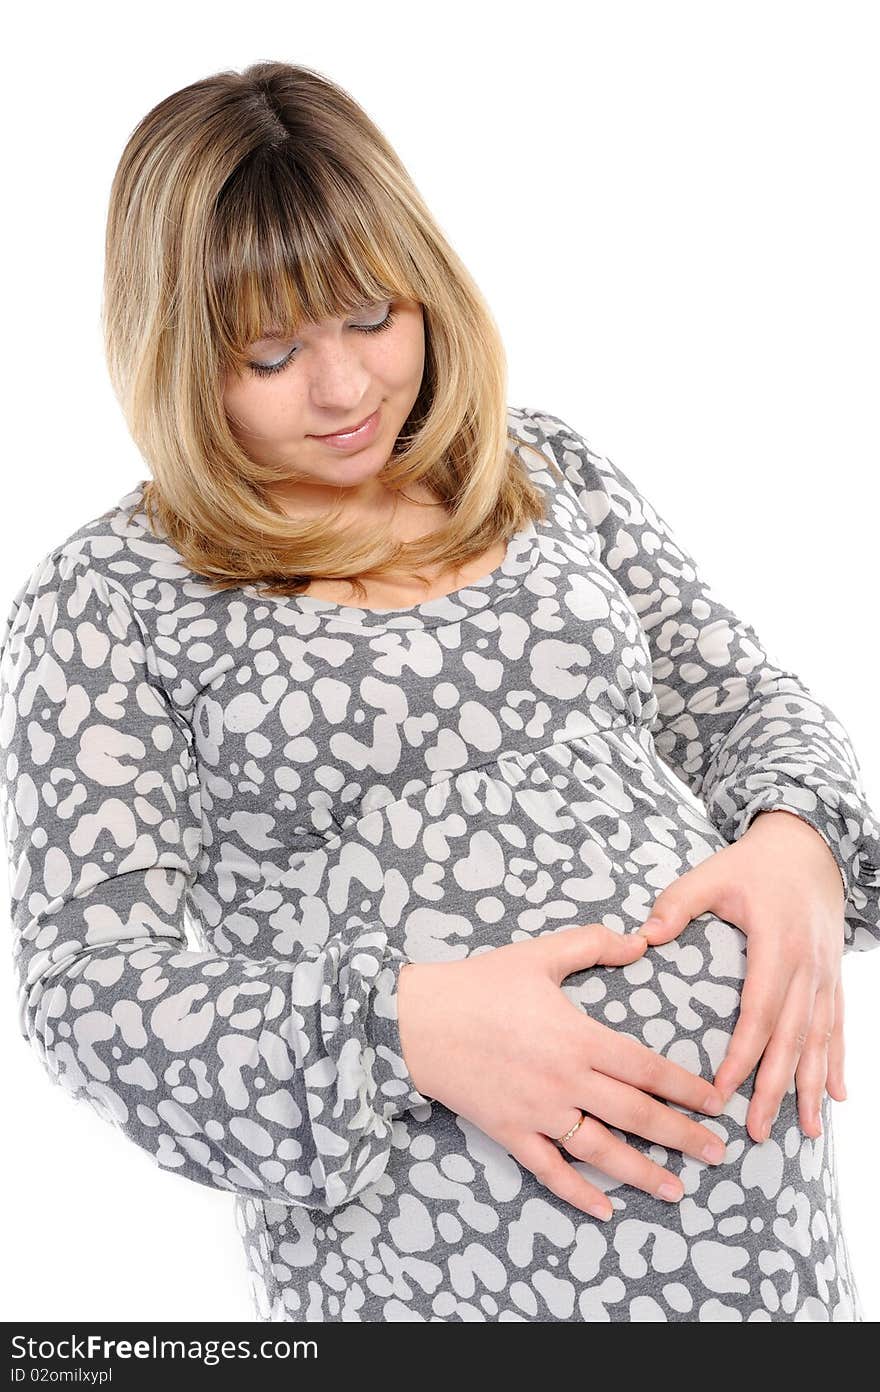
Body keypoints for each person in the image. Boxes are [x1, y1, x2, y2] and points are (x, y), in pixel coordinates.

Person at [1, 59, 878, 1326]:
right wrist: (401, 1028)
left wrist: (795, 842)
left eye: (371, 317)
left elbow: (742, 703)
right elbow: (91, 989)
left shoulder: (542, 471)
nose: (346, 389)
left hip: (761, 1262)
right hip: (432, 1280)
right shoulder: (107, 599)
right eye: (270, 352)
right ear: (178, 356)